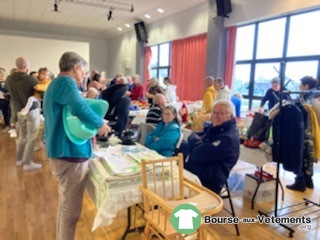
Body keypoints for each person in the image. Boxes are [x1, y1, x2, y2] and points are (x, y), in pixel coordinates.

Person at [43, 52, 111, 240]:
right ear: (76, 68)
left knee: (65, 208)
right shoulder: (65, 83)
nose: (84, 75)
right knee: (70, 213)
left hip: (61, 152)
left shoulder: (55, 84)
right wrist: (100, 124)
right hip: (69, 153)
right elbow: (79, 107)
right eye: (84, 71)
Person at [184, 100, 240, 194]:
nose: (216, 116)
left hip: (207, 182)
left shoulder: (228, 138)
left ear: (231, 116)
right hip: (196, 173)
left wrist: (195, 144)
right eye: (214, 112)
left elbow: (199, 155)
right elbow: (196, 140)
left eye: (221, 113)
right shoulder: (216, 128)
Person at [5, 57, 42, 170]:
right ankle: (27, 163)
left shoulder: (9, 79)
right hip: (31, 111)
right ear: (26, 67)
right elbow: (40, 94)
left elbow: (7, 91)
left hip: (18, 111)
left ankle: (19, 160)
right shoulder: (31, 80)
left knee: (22, 136)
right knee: (31, 137)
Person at [0, 68, 10, 133]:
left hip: (4, 100)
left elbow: (7, 92)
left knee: (6, 113)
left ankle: (7, 125)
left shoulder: (6, 83)